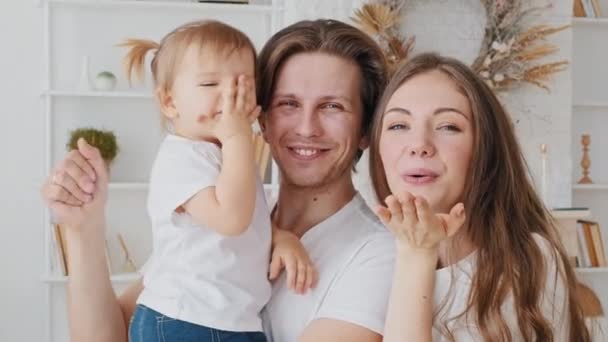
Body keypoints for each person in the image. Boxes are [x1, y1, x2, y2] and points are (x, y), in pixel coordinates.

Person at [41, 19, 394, 342]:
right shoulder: (220, 216)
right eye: (288, 104)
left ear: (365, 131)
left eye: (332, 106)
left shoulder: (377, 255)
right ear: (262, 119)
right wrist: (84, 229)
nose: (306, 128)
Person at [369, 52, 591, 341]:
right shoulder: (366, 259)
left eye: (448, 126)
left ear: (484, 148)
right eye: (399, 125)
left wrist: (417, 254)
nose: (419, 145)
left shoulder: (529, 261)